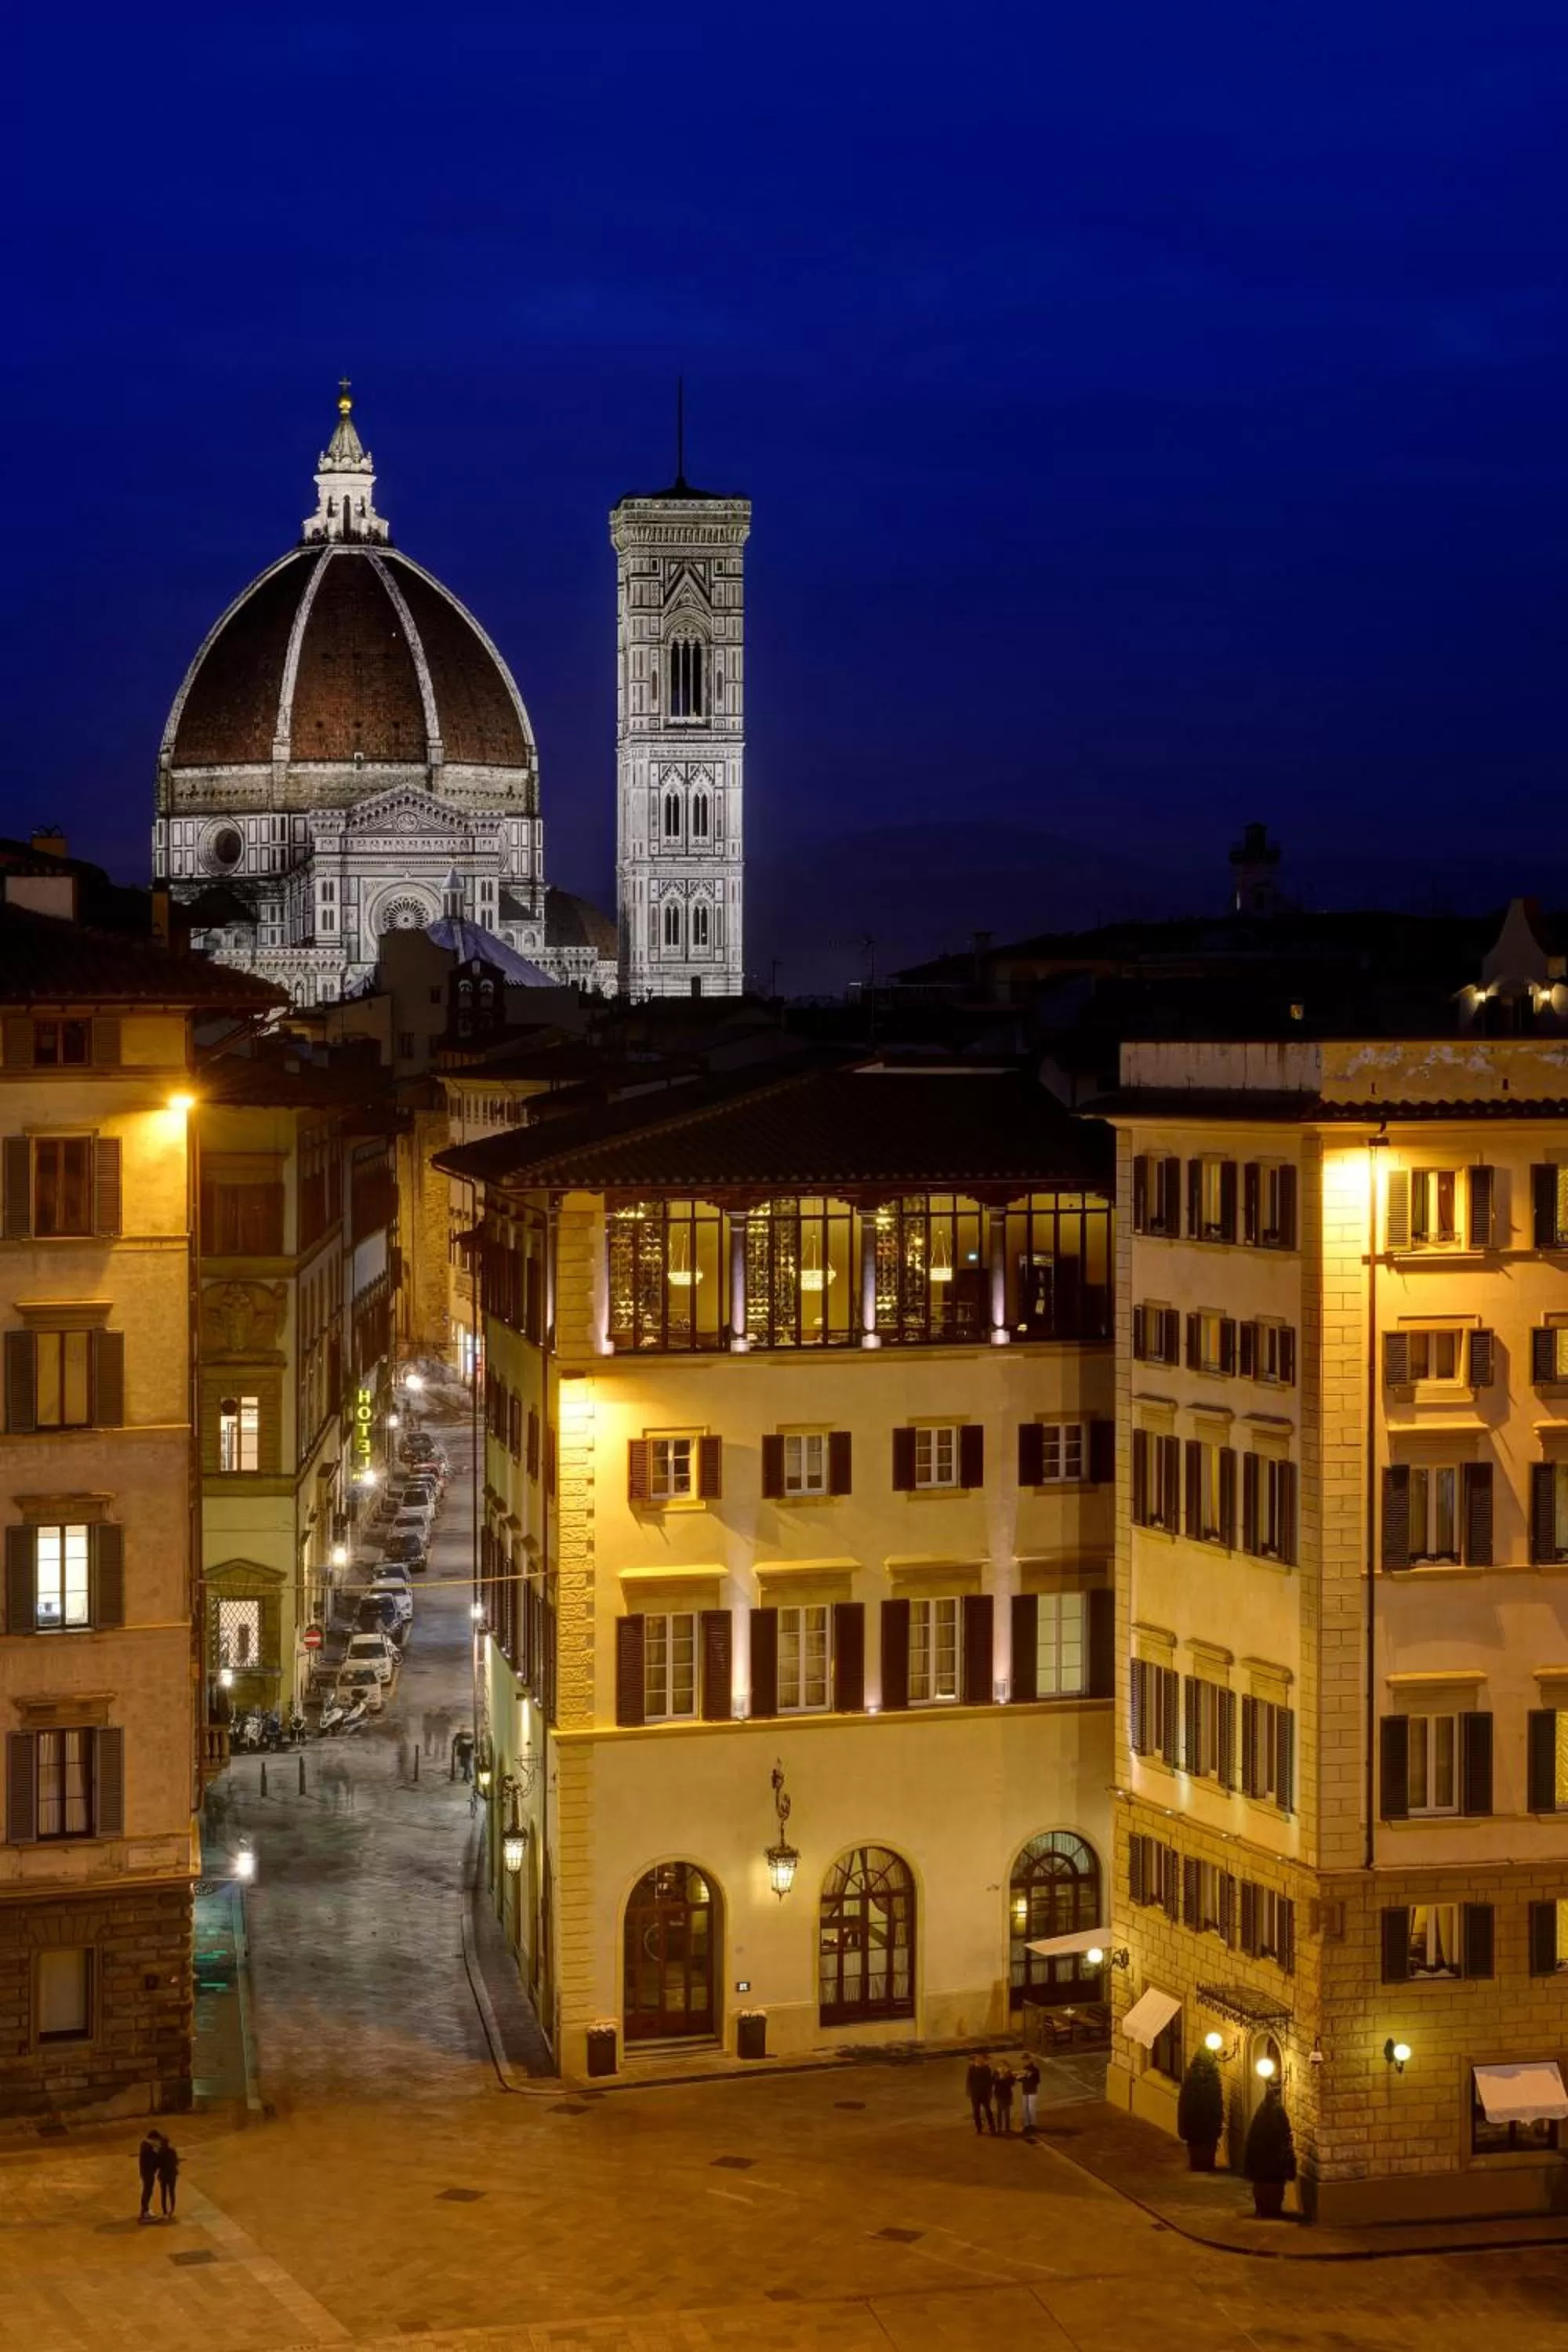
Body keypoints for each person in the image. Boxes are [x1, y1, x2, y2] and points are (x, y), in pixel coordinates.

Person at [965, 2053, 996, 2136]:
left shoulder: (987, 2069)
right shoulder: (971, 2069)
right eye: (977, 2059)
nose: (979, 2060)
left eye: (981, 2058)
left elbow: (990, 2082)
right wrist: (969, 2092)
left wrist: (990, 2093)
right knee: (976, 2111)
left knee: (988, 2110)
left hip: (984, 2094)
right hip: (975, 2094)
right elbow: (969, 2081)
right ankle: (979, 2128)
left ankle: (992, 2127)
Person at [137, 2130, 162, 2221]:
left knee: (147, 2190)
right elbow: (152, 2160)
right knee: (147, 2191)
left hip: (146, 2172)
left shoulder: (145, 2145)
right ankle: (144, 2212)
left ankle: (145, 2210)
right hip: (148, 2172)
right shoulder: (148, 2147)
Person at [156, 2135, 180, 2219]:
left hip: (163, 2175)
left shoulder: (160, 2152)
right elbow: (176, 2162)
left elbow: (157, 2165)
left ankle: (165, 2211)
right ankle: (172, 2209)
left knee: (163, 2193)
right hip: (172, 2174)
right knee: (172, 2192)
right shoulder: (172, 2151)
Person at [993, 2059, 1016, 2136]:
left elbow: (1012, 2083)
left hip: (1007, 2094)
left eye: (1003, 2065)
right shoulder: (996, 2072)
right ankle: (999, 2127)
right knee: (999, 2111)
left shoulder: (1009, 2073)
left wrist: (1006, 2077)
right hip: (999, 2094)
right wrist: (1000, 2078)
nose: (1002, 2067)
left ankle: (1007, 2128)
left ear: (1006, 2066)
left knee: (1007, 2112)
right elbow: (993, 2082)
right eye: (1000, 2065)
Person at [1020, 2054, 1041, 2137]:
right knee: (1025, 2109)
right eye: (1024, 2060)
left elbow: (1037, 2081)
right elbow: (1020, 2079)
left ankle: (1032, 2125)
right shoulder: (1024, 2069)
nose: (1025, 2061)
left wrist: (1030, 2077)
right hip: (1025, 2091)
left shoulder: (1035, 2070)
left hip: (1032, 2091)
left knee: (1031, 2108)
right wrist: (1022, 2077)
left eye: (1026, 2060)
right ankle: (1026, 2125)